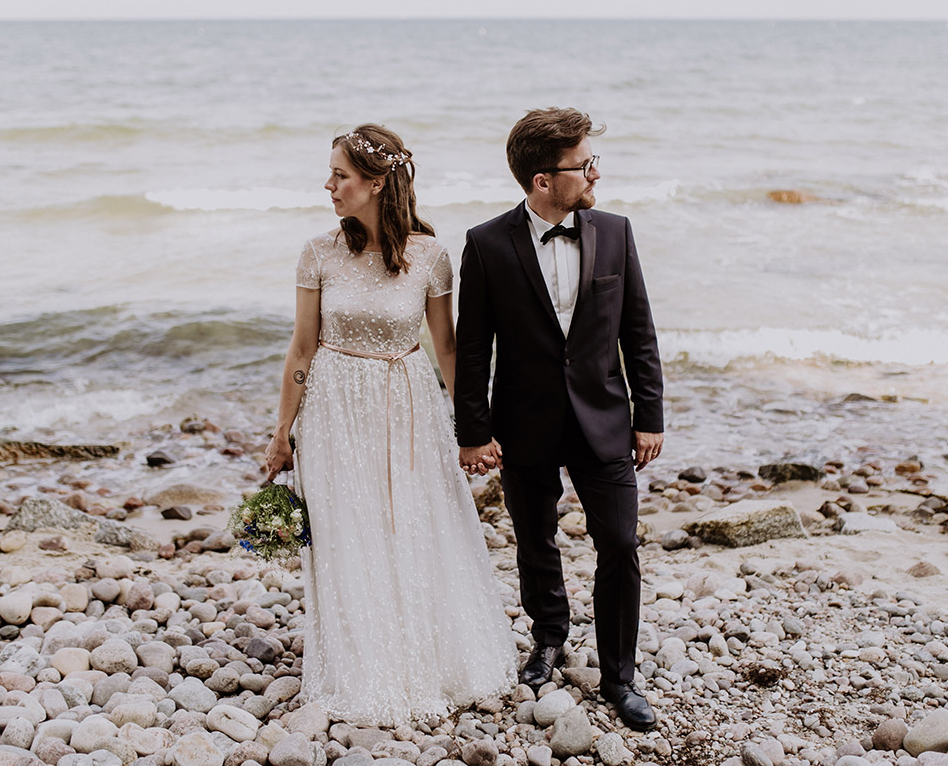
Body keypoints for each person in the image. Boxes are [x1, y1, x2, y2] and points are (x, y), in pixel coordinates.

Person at [264, 124, 516, 727]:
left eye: (340, 175)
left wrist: (472, 428)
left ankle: (424, 657)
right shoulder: (318, 251)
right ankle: (357, 664)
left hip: (407, 407)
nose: (328, 185)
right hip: (332, 410)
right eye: (330, 173)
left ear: (377, 184)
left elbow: (448, 348)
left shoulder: (429, 254)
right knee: (344, 531)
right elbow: (301, 350)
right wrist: (281, 434)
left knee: (412, 526)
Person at [454, 108, 664, 732]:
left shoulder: (617, 232)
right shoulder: (486, 244)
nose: (596, 171)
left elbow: (639, 332)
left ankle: (619, 676)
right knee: (535, 540)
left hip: (605, 419)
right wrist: (474, 430)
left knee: (621, 545)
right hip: (525, 422)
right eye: (584, 163)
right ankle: (549, 637)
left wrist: (649, 415)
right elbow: (473, 347)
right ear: (544, 179)